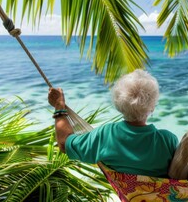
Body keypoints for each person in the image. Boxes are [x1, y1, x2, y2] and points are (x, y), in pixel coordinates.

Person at [48, 69, 178, 177]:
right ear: (152, 107)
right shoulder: (167, 140)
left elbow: (65, 144)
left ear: (118, 104)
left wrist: (59, 106)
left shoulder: (105, 136)